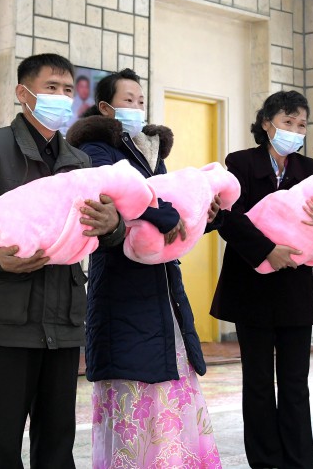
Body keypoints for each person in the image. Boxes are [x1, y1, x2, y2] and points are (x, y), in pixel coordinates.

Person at [0, 53, 122, 469]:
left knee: (58, 434)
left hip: (64, 315)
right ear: (23, 93)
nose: (61, 98)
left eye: (67, 90)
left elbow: (107, 232)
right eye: (51, 88)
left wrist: (112, 224)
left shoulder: (79, 162)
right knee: (1, 436)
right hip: (10, 314)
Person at [66, 68, 223, 469]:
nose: (137, 107)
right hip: (121, 283)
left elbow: (167, 209)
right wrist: (168, 214)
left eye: (140, 100)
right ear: (105, 107)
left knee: (171, 379)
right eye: (127, 100)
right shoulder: (98, 149)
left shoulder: (150, 152)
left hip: (162, 283)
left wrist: (204, 213)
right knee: (133, 382)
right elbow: (128, 197)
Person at [211, 90, 313, 469]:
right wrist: (266, 251)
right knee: (257, 382)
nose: (294, 130)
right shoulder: (239, 162)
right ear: (266, 123)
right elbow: (229, 216)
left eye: (301, 124)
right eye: (287, 122)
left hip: (293, 289)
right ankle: (265, 460)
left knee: (294, 382)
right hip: (250, 283)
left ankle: (298, 460)